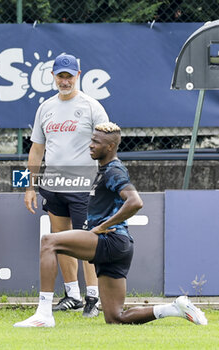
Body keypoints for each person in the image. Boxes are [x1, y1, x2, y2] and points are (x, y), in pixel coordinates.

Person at [14, 122, 207, 328]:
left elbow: (135, 201)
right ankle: (173, 308)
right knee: (115, 317)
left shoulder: (113, 171)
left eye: (96, 142)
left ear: (110, 147)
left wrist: (102, 226)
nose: (90, 145)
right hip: (119, 247)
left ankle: (43, 314)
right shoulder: (104, 169)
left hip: (110, 240)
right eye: (91, 140)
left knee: (49, 242)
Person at [24, 53, 109, 317]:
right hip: (54, 184)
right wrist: (30, 186)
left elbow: (108, 144)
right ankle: (72, 294)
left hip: (85, 185)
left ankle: (93, 298)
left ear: (78, 76)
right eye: (60, 76)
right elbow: (37, 150)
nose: (65, 81)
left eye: (69, 76)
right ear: (53, 77)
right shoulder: (45, 108)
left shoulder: (92, 106)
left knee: (87, 242)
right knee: (60, 240)